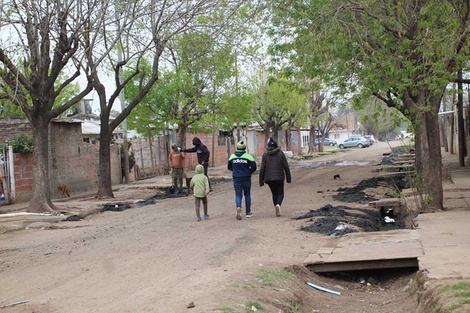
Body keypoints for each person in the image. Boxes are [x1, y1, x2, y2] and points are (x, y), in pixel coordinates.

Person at [259, 137, 291, 217]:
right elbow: (285, 166)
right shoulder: (280, 153)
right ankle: (278, 205)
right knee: (280, 193)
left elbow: (262, 168)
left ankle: (276, 207)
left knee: (274, 193)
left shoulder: (265, 155)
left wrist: (261, 180)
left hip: (269, 178)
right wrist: (288, 178)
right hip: (279, 177)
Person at [228, 140, 257, 220]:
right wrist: (249, 171)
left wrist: (235, 170)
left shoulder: (232, 157)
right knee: (247, 194)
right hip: (246, 177)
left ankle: (238, 207)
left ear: (237, 148)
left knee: (238, 195)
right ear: (244, 148)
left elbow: (229, 167)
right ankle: (248, 212)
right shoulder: (248, 156)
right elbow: (254, 167)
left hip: (236, 178)